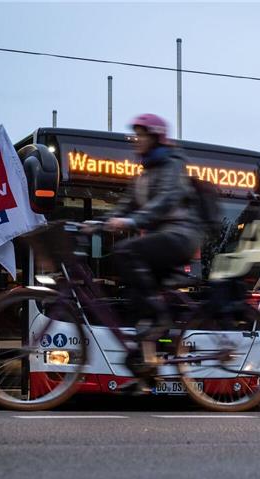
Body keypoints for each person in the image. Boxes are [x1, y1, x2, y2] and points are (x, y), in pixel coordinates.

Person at [104, 114, 201, 377]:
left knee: (125, 251)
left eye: (142, 135)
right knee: (137, 295)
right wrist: (94, 223)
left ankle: (160, 318)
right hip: (163, 238)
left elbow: (165, 202)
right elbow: (124, 205)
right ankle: (148, 364)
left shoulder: (171, 166)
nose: (136, 140)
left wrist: (132, 220)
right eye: (135, 135)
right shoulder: (144, 174)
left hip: (181, 235)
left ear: (156, 137)